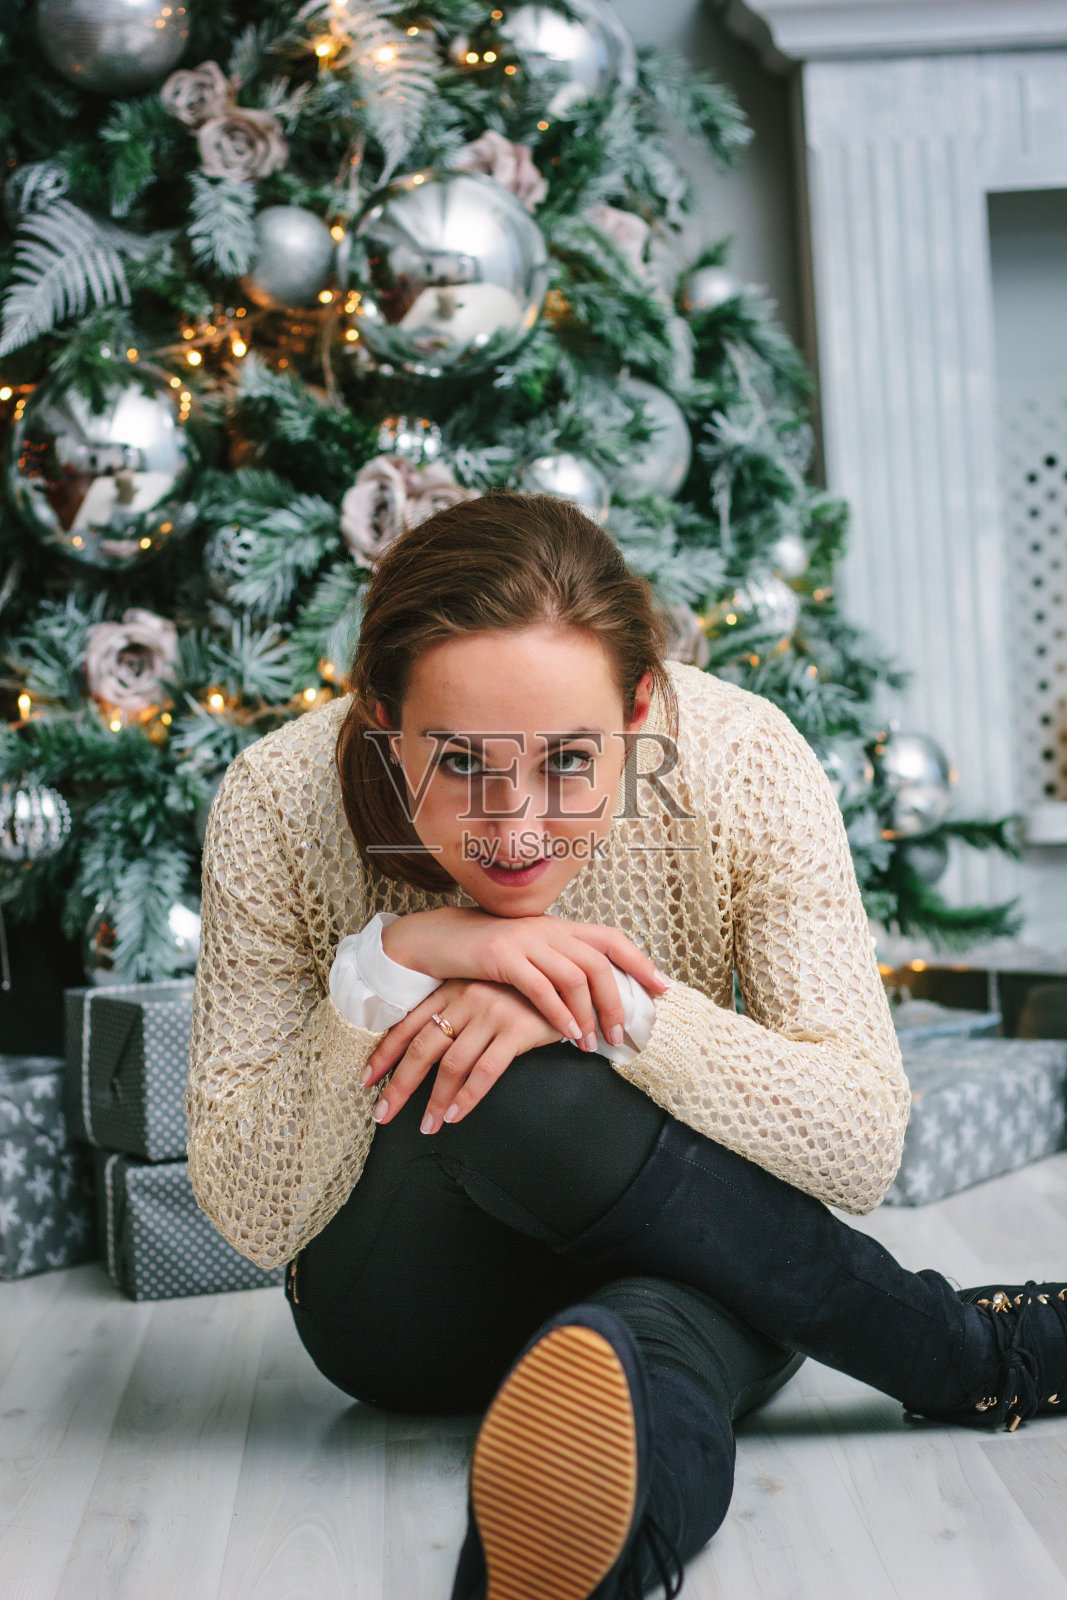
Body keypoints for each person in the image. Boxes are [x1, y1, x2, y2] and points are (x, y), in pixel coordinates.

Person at [187, 492, 1067, 1600]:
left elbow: (858, 1145)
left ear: (640, 706)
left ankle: (590, 1562)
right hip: (405, 1309)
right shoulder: (277, 800)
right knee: (498, 1076)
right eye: (457, 763)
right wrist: (393, 965)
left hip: (692, 1269)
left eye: (567, 759)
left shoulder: (741, 761)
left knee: (647, 1351)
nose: (515, 826)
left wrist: (613, 1010)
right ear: (379, 718)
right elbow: (249, 1207)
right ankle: (967, 1352)